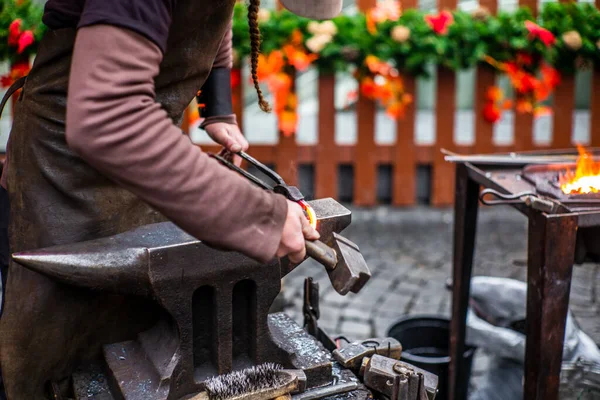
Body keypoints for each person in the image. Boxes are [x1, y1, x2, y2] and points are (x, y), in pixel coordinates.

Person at [0, 0, 342, 398]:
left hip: (144, 162)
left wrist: (218, 109)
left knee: (139, 336)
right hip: (61, 174)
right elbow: (107, 117)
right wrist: (260, 216)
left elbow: (209, 15)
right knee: (58, 353)